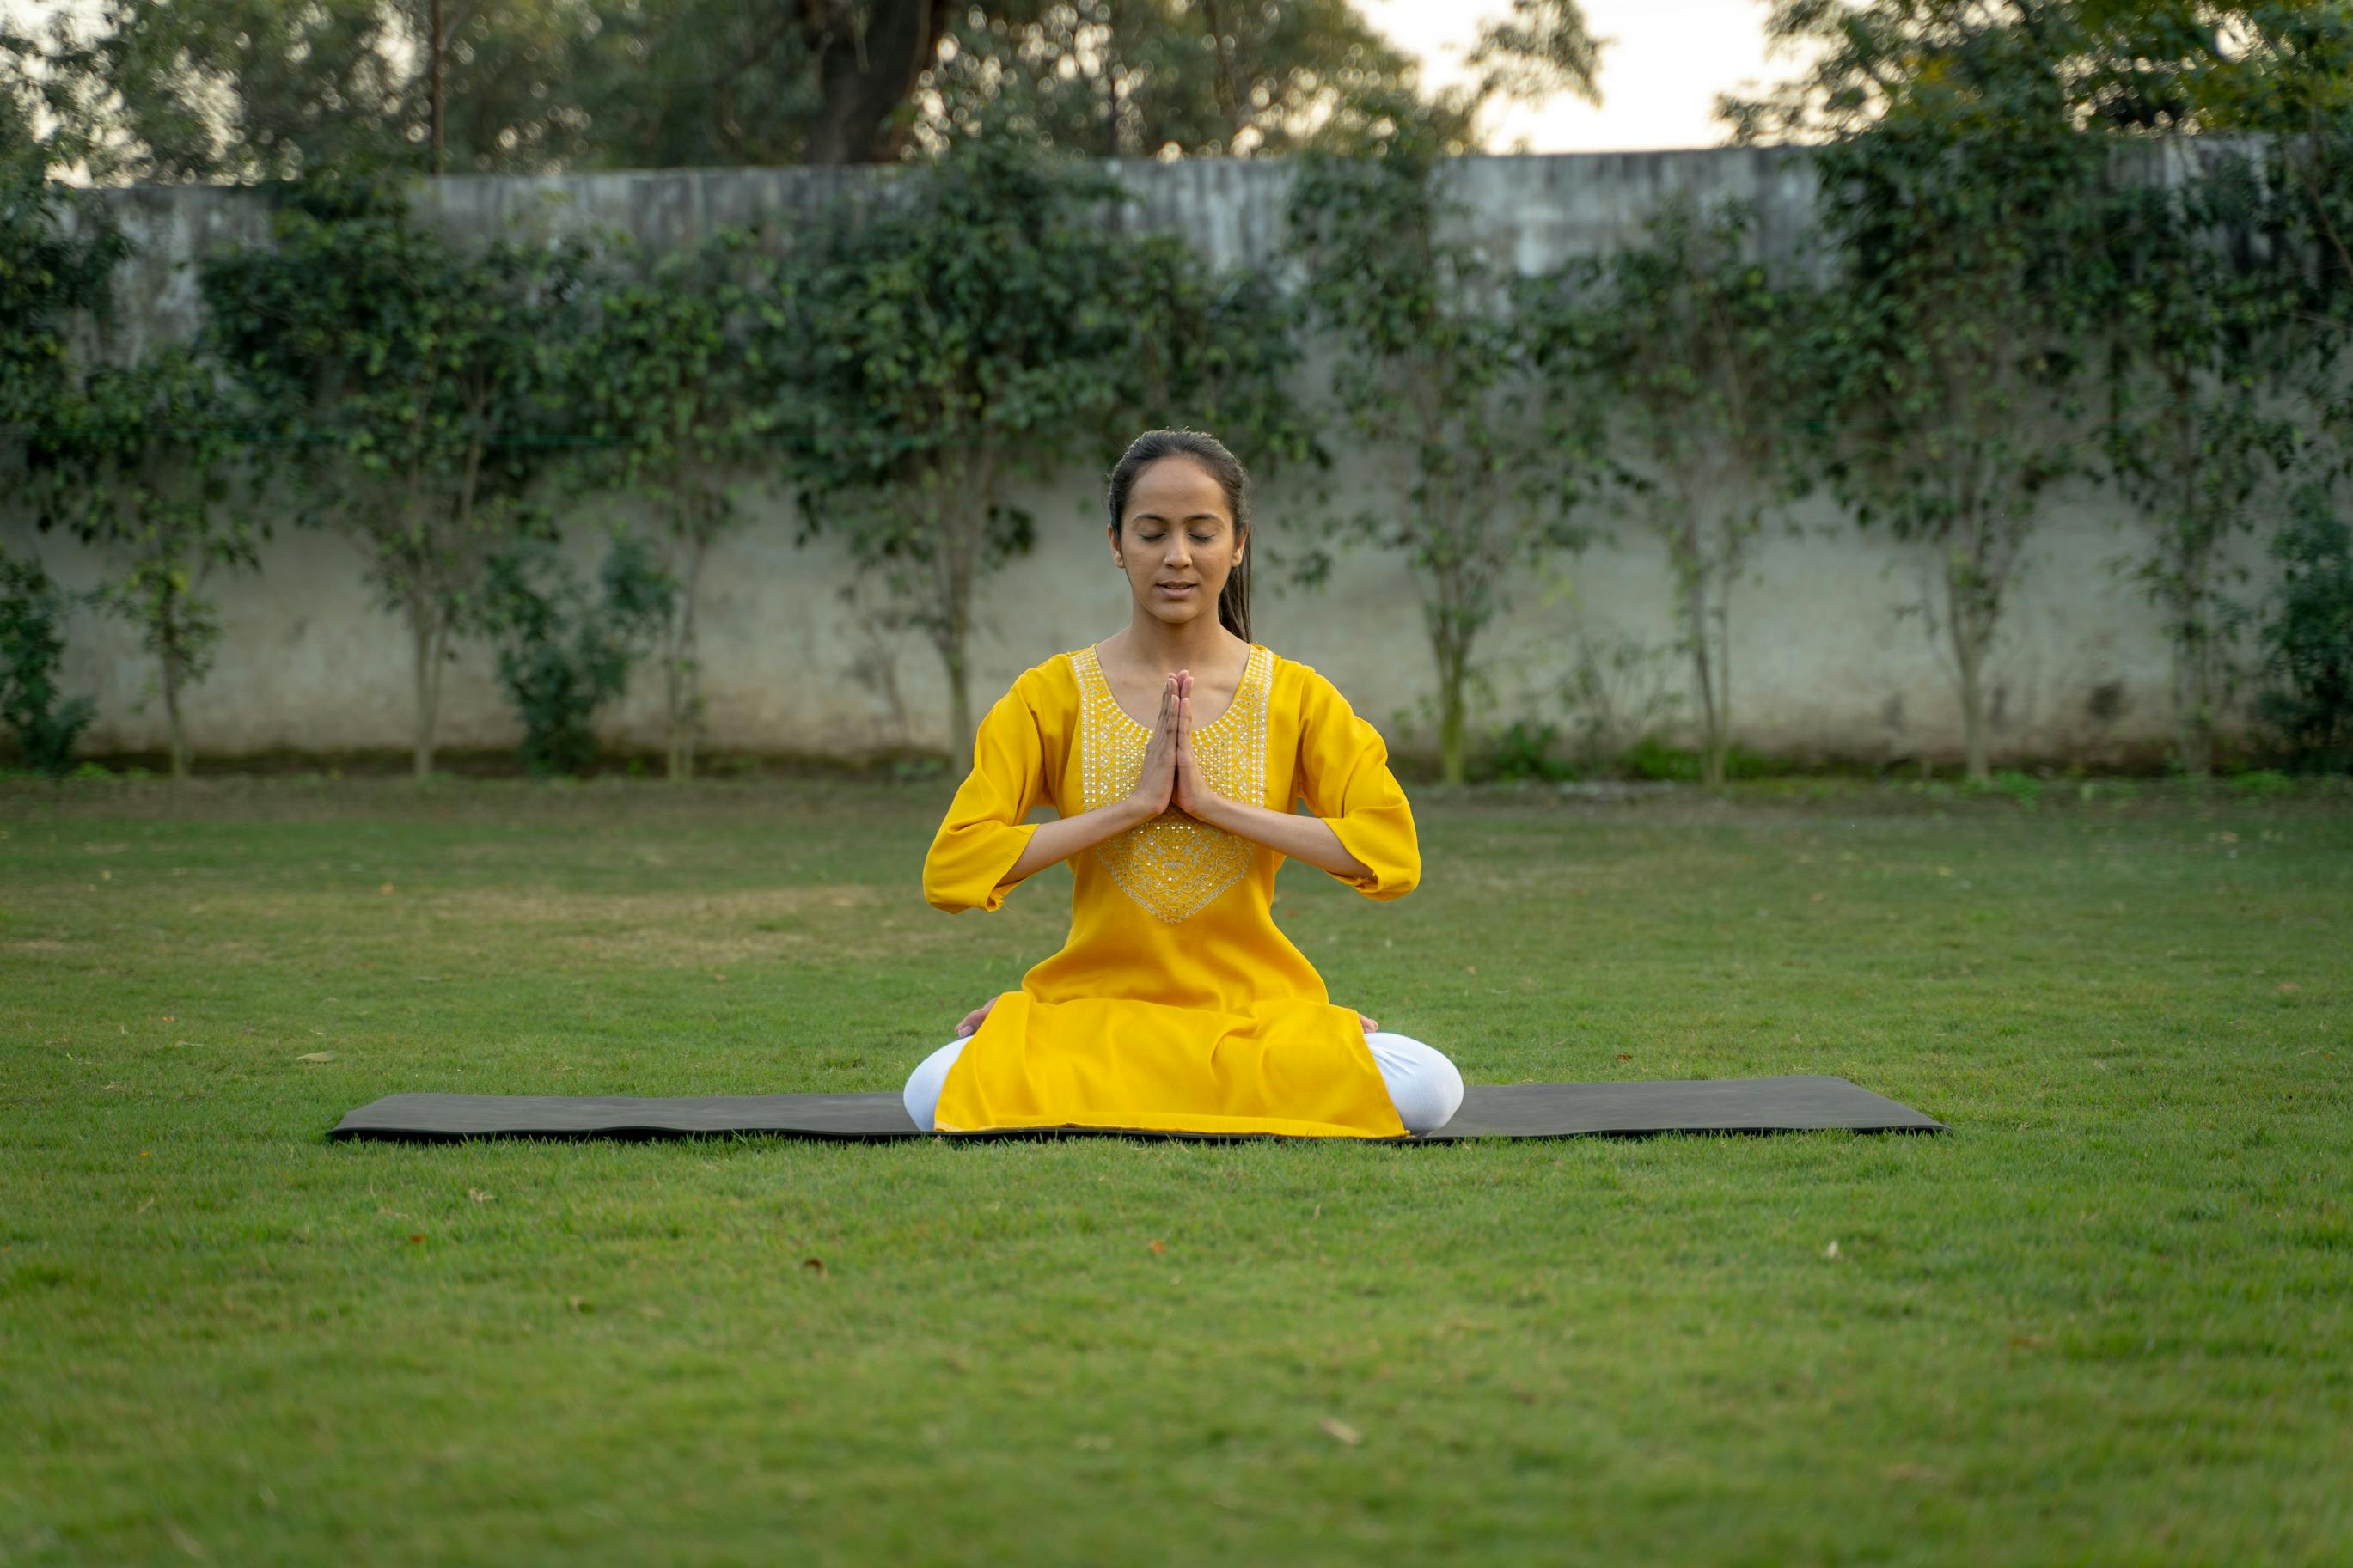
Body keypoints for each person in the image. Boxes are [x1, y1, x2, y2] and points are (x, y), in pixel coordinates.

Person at [904, 428, 1466, 1138]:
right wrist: (1131, 808)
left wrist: (1213, 806)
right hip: (1098, 1013)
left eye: (1202, 533)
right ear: (1116, 543)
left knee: (1430, 1086)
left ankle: (1127, 1082)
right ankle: (1172, 1076)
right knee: (930, 1092)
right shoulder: (1051, 696)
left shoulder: (1296, 698)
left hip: (1250, 1014)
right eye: (1152, 532)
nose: (1177, 556)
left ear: (1237, 544)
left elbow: (1392, 854)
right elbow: (951, 869)